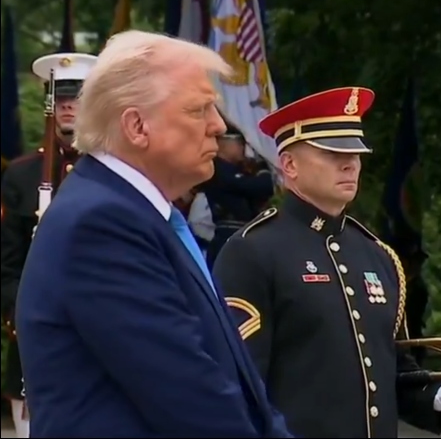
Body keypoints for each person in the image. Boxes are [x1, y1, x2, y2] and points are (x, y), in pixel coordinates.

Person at [14, 30, 291, 438]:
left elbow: (231, 382)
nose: (218, 126)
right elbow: (193, 399)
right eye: (199, 110)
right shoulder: (102, 225)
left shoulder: (133, 213)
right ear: (137, 126)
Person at [214, 87, 441, 438]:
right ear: (289, 164)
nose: (349, 163)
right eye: (332, 153)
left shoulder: (377, 256)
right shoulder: (253, 251)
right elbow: (239, 385)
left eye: (355, 153)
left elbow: (392, 374)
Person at [1, 51, 96, 438]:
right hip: (35, 330)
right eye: (59, 98)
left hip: (97, 331)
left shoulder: (113, 170)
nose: (68, 106)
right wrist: (20, 315)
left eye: (77, 98)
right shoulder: (23, 175)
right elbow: (7, 261)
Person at [199, 114, 274, 267]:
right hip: (228, 232)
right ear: (223, 144)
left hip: (242, 233)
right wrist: (263, 171)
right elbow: (258, 187)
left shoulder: (236, 169)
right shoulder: (217, 168)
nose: (243, 149)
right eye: (239, 144)